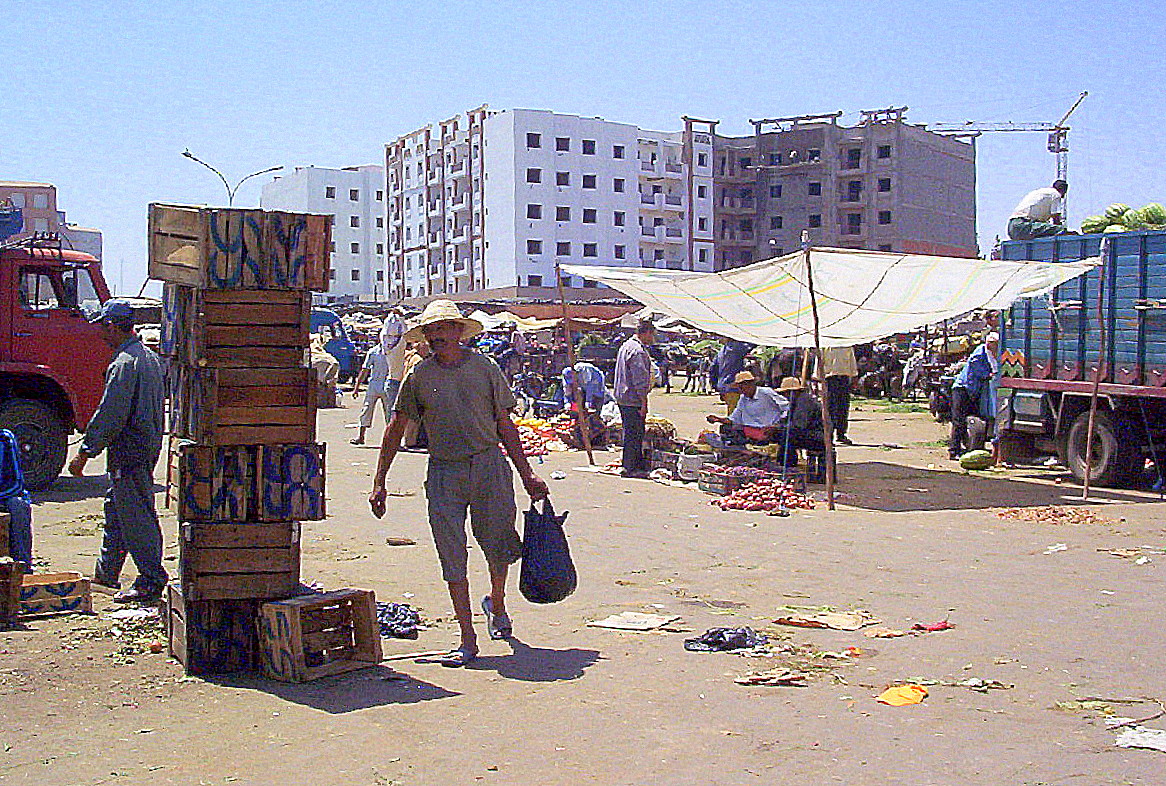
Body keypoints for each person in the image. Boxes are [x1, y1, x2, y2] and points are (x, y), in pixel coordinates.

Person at [368, 300, 548, 667]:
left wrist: (527, 473)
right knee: (452, 554)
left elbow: (505, 424)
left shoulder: (485, 369)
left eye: (443, 329)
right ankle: (467, 637)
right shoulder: (419, 377)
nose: (437, 337)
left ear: (458, 331)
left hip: (489, 467)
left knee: (499, 544)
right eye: (431, 331)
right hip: (444, 472)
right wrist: (379, 480)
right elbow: (395, 428)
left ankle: (496, 602)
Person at [69, 299, 167, 603]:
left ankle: (151, 579)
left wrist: (85, 452)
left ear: (111, 326)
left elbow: (111, 413)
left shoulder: (125, 362)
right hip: (145, 445)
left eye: (101, 326)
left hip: (131, 449)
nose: (99, 332)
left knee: (136, 515)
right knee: (117, 509)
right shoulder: (147, 357)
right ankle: (107, 573)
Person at [351, 312, 407, 445]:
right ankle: (361, 437)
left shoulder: (395, 351)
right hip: (374, 386)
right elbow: (364, 370)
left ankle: (392, 441)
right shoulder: (373, 352)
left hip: (388, 386)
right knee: (366, 410)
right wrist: (356, 387)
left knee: (390, 414)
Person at [614, 320, 656, 478]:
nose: (653, 339)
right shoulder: (637, 351)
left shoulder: (626, 346)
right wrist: (644, 403)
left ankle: (629, 463)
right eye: (652, 335)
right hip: (632, 398)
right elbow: (640, 380)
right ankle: (631, 467)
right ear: (646, 333)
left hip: (623, 397)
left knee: (629, 431)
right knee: (635, 433)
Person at [949, 332, 1000, 460]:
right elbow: (978, 372)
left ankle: (971, 447)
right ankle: (954, 450)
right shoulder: (979, 354)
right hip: (963, 389)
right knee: (959, 421)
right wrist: (989, 375)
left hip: (973, 391)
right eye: (994, 344)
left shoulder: (992, 355)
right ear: (989, 344)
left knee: (975, 419)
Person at [706, 371, 788, 444]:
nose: (741, 390)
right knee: (726, 429)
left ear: (750, 384)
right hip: (750, 430)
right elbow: (734, 418)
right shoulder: (743, 398)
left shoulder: (766, 392)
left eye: (742, 387)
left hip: (768, 430)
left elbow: (786, 407)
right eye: (739, 388)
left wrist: (777, 425)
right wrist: (719, 419)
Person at [0, 429, 33, 566]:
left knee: (18, 506)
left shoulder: (5, 439)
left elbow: (16, 484)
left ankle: (22, 567)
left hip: (5, 496)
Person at [818, 346, 858, 445]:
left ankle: (841, 434)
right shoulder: (825, 346)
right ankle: (828, 436)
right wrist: (818, 380)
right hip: (830, 380)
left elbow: (852, 363)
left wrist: (854, 377)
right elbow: (819, 363)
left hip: (844, 379)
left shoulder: (847, 346)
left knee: (843, 408)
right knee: (830, 409)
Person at [776, 377, 825, 456]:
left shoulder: (804, 402)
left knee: (787, 434)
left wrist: (778, 428)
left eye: (786, 393)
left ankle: (789, 463)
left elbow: (799, 425)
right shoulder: (795, 401)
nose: (785, 396)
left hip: (818, 436)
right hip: (809, 433)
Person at [708, 339, 756, 414]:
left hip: (723, 386)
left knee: (733, 411)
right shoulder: (737, 347)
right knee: (736, 414)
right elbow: (753, 344)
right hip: (734, 386)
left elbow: (712, 370)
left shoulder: (721, 352)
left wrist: (716, 386)